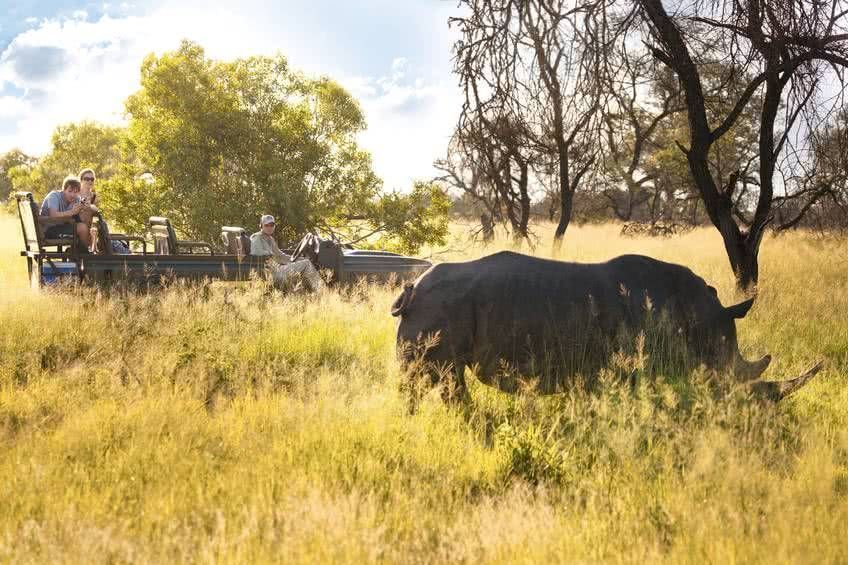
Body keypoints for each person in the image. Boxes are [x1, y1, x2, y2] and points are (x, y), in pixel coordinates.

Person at [250, 214, 324, 292]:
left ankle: (312, 293)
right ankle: (322, 291)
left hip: (277, 269)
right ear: (261, 226)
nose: (269, 227)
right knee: (306, 264)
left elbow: (281, 256)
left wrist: (300, 259)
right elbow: (256, 252)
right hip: (272, 273)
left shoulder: (270, 239)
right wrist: (268, 254)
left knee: (305, 262)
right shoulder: (257, 237)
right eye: (266, 225)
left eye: (272, 225)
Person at [39, 175, 92, 250]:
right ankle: (84, 255)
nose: (72, 195)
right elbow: (53, 215)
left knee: (88, 226)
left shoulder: (77, 199)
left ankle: (82, 251)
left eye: (75, 192)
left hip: (61, 227)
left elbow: (78, 218)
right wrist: (72, 212)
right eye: (70, 191)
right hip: (48, 230)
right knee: (82, 228)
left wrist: (84, 209)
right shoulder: (54, 196)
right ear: (64, 190)